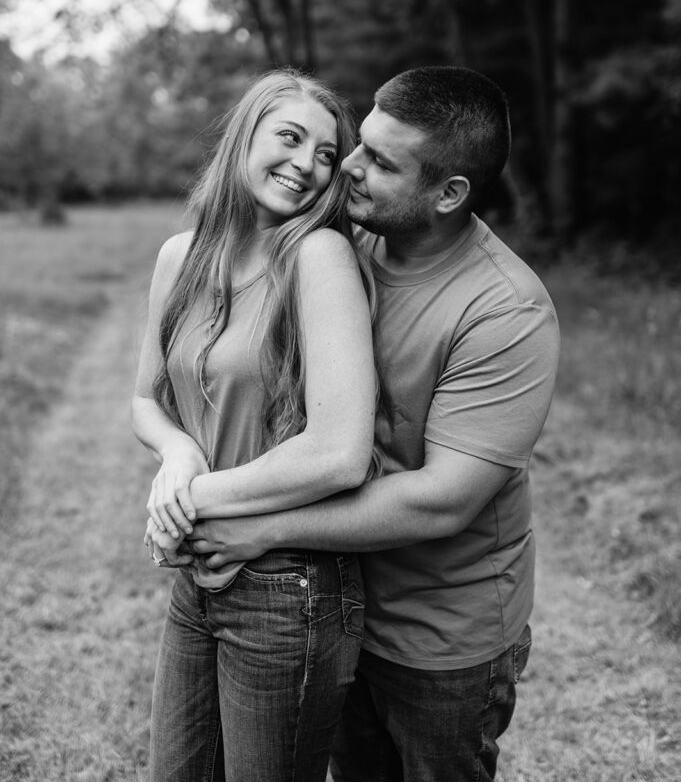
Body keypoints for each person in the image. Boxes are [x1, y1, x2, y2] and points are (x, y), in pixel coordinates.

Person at [165, 66, 561, 782]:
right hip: (335, 601)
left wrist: (265, 526)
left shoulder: (503, 311)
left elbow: (441, 498)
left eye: (379, 161)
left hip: (440, 636)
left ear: (448, 194)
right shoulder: (342, 242)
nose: (346, 166)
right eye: (360, 143)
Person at [133, 69, 378, 782]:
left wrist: (190, 505)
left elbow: (339, 454)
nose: (306, 165)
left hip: (289, 587)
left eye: (327, 154)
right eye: (291, 137)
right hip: (201, 577)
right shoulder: (182, 256)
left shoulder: (317, 257)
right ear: (244, 136)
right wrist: (177, 459)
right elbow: (147, 397)